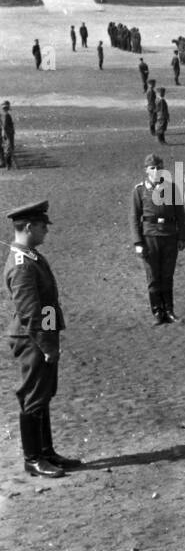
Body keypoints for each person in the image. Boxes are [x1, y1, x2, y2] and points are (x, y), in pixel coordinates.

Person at [6, 199, 80, 477]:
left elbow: (47, 305)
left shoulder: (33, 256)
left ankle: (47, 452)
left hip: (41, 336)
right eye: (41, 227)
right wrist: (47, 344)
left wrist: (53, 336)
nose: (45, 232)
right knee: (33, 396)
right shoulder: (22, 264)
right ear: (27, 227)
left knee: (44, 394)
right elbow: (30, 312)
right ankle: (33, 458)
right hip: (31, 339)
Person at [131, 154, 185, 325]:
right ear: (146, 170)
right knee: (153, 275)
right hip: (150, 237)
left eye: (159, 167)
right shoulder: (140, 190)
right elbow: (134, 217)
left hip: (169, 236)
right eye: (152, 168)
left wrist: (182, 237)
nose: (156, 171)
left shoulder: (171, 188)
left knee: (167, 274)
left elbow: (180, 214)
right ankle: (157, 312)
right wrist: (138, 243)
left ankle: (169, 310)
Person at [1, 102, 15, 170]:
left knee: (7, 149)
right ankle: (8, 165)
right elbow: (5, 126)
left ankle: (7, 164)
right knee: (9, 148)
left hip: (6, 133)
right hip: (8, 134)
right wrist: (6, 133)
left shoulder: (2, 115)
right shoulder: (6, 115)